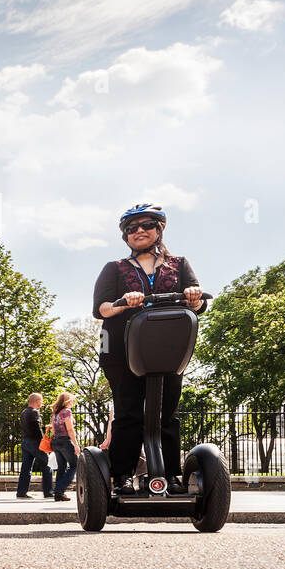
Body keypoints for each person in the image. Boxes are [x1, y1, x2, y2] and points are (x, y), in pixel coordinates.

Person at [93, 203, 205, 495]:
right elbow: (101, 309)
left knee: (167, 413)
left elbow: (198, 301)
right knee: (129, 413)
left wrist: (194, 298)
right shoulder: (114, 269)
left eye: (146, 225)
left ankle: (170, 475)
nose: (139, 231)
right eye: (132, 228)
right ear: (126, 236)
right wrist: (123, 301)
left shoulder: (179, 264)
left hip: (168, 349)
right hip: (123, 352)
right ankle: (122, 476)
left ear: (159, 229)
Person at [16, 393, 53, 500]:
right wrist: (45, 442)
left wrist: (43, 427)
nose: (42, 403)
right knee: (48, 465)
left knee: (26, 469)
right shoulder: (34, 412)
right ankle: (48, 492)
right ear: (37, 401)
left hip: (26, 442)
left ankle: (21, 493)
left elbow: (32, 427)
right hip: (35, 443)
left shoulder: (24, 412)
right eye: (41, 401)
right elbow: (37, 430)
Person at [49, 390, 81, 500]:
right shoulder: (66, 412)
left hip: (56, 442)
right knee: (74, 465)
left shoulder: (56, 413)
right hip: (65, 441)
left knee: (61, 467)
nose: (73, 402)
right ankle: (59, 489)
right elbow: (70, 430)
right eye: (72, 400)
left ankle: (59, 495)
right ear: (67, 401)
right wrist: (76, 445)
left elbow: (53, 430)